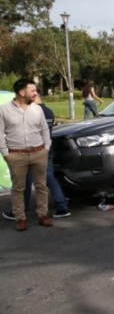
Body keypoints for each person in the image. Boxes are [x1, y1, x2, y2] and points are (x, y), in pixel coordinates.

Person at [2, 90, 71, 221]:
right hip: (46, 151)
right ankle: (62, 206)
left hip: (33, 151)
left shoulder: (34, 111)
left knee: (25, 183)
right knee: (48, 179)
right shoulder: (49, 111)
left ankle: (22, 211)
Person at [0, 78, 53, 231]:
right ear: (22, 92)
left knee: (41, 185)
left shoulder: (37, 109)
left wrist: (46, 148)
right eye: (33, 91)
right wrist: (6, 154)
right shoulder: (4, 110)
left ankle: (43, 215)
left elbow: (44, 129)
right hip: (16, 155)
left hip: (39, 153)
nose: (36, 93)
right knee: (18, 188)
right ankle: (20, 218)